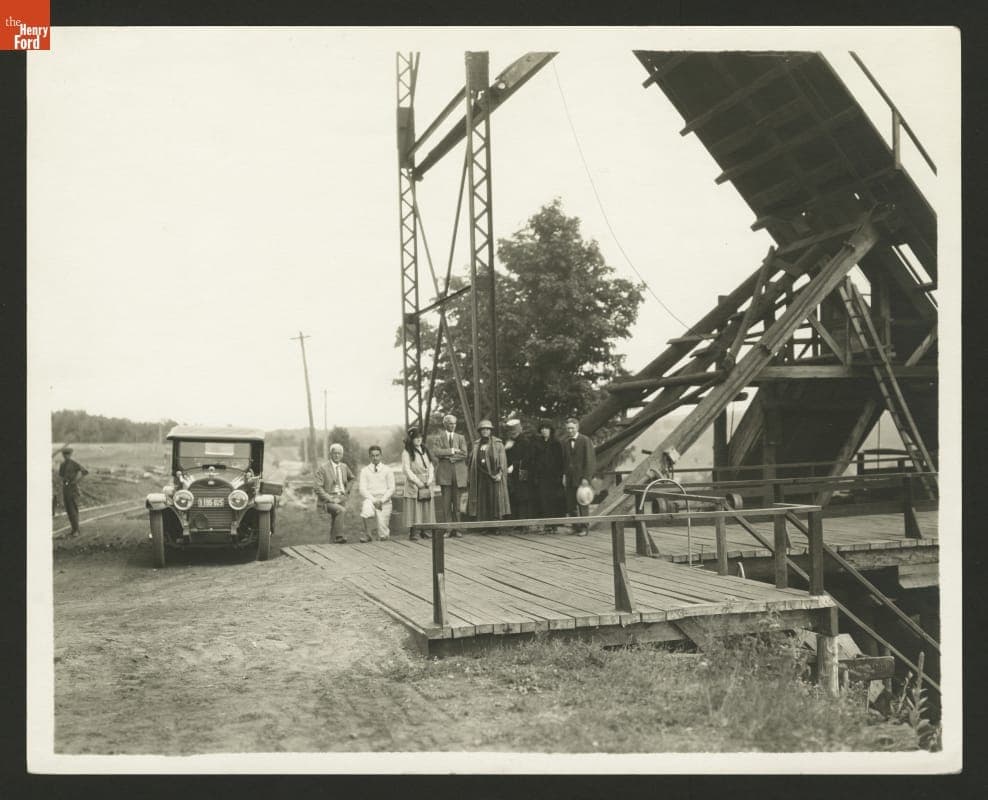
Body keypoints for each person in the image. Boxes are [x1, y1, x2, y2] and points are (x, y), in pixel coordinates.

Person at [428, 413, 467, 538]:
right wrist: (452, 451)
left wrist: (450, 458)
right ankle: (448, 529)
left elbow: (464, 453)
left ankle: (457, 529)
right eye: (450, 423)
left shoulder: (460, 438)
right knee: (445, 504)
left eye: (454, 423)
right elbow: (436, 452)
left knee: (457, 504)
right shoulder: (439, 437)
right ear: (445, 424)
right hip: (445, 475)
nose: (453, 426)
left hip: (458, 475)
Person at [466, 420, 511, 522]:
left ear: (490, 431)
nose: (485, 431)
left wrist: (500, 474)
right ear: (480, 431)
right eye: (483, 429)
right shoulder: (476, 444)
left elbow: (503, 461)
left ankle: (495, 526)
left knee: (495, 500)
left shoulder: (498, 443)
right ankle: (484, 524)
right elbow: (471, 460)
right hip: (480, 477)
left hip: (494, 476)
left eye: (487, 429)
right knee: (482, 500)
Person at [561, 417, 596, 535]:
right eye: (568, 428)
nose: (570, 430)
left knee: (583, 502)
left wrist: (586, 478)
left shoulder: (585, 440)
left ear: (577, 428)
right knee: (571, 504)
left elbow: (590, 460)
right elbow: (564, 461)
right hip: (570, 478)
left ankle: (585, 528)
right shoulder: (565, 442)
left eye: (572, 428)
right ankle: (576, 527)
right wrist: (564, 476)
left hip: (582, 478)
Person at [314, 443, 355, 543]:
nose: (337, 455)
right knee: (341, 511)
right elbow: (317, 488)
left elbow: (352, 478)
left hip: (341, 497)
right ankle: (339, 536)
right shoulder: (323, 468)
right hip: (328, 500)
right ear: (330, 454)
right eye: (335, 453)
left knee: (335, 521)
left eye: (339, 453)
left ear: (342, 455)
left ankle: (332, 543)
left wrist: (346, 491)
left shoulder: (344, 467)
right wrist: (330, 499)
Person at [402, 427, 435, 540]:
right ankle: (414, 531)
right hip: (415, 482)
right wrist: (418, 482)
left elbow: (430, 466)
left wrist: (430, 480)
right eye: (415, 437)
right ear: (411, 439)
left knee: (426, 505)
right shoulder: (407, 452)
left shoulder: (424, 450)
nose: (418, 439)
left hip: (426, 482)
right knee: (415, 507)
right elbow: (406, 469)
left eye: (420, 437)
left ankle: (426, 530)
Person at [358, 445, 395, 541]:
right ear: (369, 457)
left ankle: (383, 538)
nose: (375, 458)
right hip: (371, 499)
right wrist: (374, 501)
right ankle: (368, 535)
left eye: (377, 455)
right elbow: (362, 489)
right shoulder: (365, 471)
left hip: (384, 501)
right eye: (372, 456)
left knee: (383, 535)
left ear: (381, 455)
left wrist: (382, 501)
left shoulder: (387, 470)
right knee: (366, 507)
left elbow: (391, 488)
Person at [531, 420, 566, 521]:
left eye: (546, 428)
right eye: (542, 429)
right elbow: (534, 459)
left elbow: (560, 462)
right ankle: (545, 524)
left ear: (551, 430)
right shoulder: (537, 443)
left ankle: (553, 524)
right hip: (541, 477)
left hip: (553, 477)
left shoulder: (556, 443)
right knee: (542, 500)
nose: (544, 431)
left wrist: (559, 476)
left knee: (553, 501)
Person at [503, 418, 535, 521]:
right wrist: (505, 449)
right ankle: (514, 521)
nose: (512, 434)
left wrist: (514, 465)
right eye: (511, 432)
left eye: (514, 432)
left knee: (523, 495)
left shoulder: (525, 442)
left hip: (523, 471)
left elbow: (528, 458)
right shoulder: (509, 442)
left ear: (518, 431)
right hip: (511, 473)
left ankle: (523, 522)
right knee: (513, 495)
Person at [58, 445, 88, 536]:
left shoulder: (74, 463)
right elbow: (61, 476)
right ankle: (73, 529)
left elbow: (85, 472)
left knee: (73, 509)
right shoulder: (62, 465)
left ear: (70, 455)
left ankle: (76, 530)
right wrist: (64, 483)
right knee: (68, 509)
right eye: (64, 454)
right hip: (65, 488)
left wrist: (76, 481)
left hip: (72, 488)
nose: (66, 456)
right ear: (63, 455)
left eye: (68, 454)